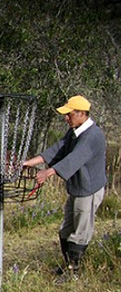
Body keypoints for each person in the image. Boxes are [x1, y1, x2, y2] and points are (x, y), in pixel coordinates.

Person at [23, 95, 107, 282]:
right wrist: (29, 163)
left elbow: (73, 159)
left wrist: (47, 173)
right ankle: (67, 265)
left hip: (89, 190)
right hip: (76, 188)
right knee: (65, 230)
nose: (66, 118)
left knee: (80, 232)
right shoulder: (74, 131)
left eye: (69, 114)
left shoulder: (92, 136)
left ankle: (72, 273)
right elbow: (57, 150)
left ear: (82, 114)